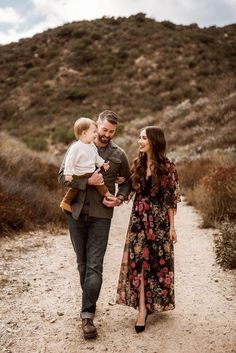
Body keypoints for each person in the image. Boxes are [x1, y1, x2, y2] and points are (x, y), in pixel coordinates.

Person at [58, 110, 131, 339]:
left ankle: (87, 315)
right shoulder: (77, 147)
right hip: (76, 213)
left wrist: (119, 198)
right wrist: (86, 181)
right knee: (82, 263)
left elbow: (128, 183)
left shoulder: (119, 154)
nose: (107, 134)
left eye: (112, 131)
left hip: (102, 216)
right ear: (96, 125)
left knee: (94, 265)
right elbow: (63, 177)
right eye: (104, 129)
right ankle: (89, 300)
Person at [116, 126, 181, 333]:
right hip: (138, 223)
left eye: (143, 137)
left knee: (156, 265)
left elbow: (171, 199)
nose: (139, 141)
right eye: (139, 137)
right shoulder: (138, 164)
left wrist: (172, 227)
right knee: (139, 265)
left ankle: (152, 303)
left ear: (154, 141)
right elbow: (130, 190)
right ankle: (141, 310)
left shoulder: (169, 167)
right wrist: (116, 194)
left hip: (160, 224)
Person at [60, 117, 112, 212]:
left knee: (99, 181)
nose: (96, 134)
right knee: (74, 189)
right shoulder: (76, 147)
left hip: (90, 172)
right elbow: (69, 161)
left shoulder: (91, 145)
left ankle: (107, 195)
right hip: (79, 173)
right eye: (93, 132)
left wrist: (102, 164)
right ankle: (65, 202)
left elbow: (96, 157)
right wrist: (68, 173)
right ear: (84, 133)